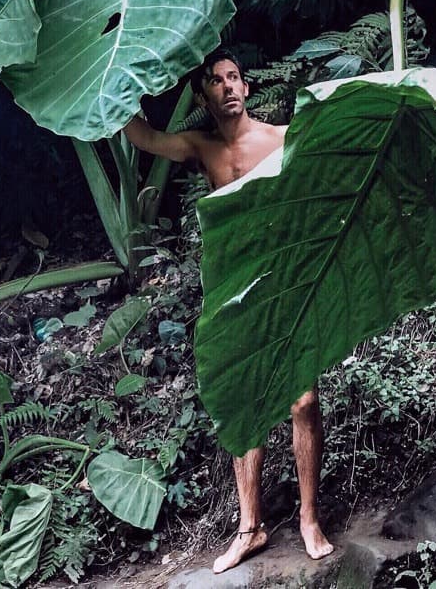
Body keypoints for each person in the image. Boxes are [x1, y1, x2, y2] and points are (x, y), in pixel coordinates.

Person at [124, 49, 334, 574]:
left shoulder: (281, 136)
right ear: (203, 96)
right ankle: (250, 527)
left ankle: (309, 519)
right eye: (216, 81)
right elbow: (145, 138)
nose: (228, 87)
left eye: (235, 77)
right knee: (245, 403)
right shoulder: (201, 147)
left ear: (246, 84)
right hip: (236, 288)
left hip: (287, 280)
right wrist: (113, 81)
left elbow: (333, 157)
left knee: (303, 400)